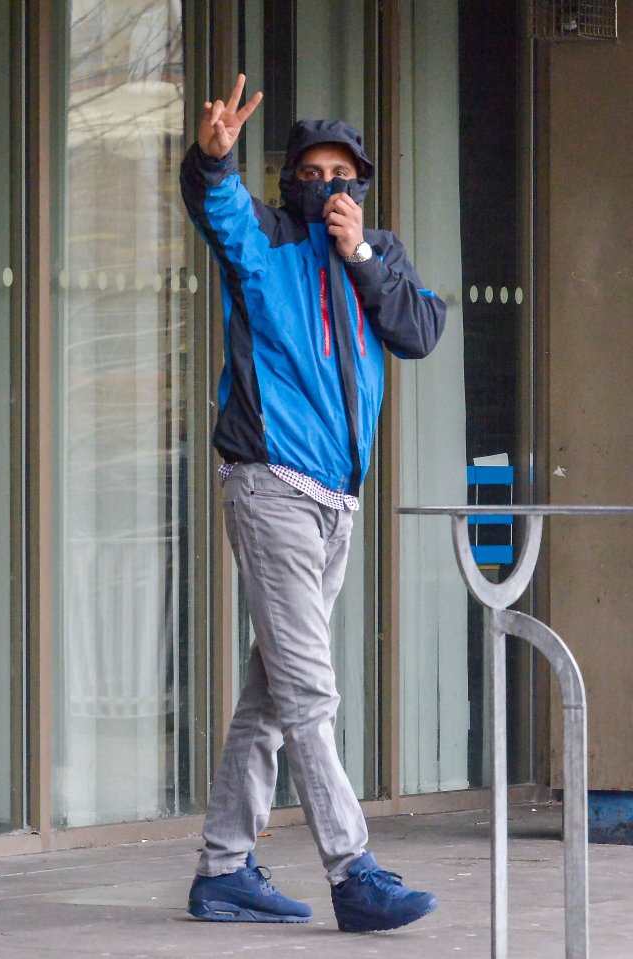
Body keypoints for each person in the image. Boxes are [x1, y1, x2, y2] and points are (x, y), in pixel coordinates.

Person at [179, 74, 446, 933]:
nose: (327, 186)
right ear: (290, 181)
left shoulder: (380, 257)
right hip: (268, 483)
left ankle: (224, 867)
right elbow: (215, 205)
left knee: (272, 688)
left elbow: (420, 331)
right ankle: (351, 868)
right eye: (313, 173)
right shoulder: (262, 240)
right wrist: (211, 161)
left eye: (343, 174)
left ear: (361, 186)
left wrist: (362, 256)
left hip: (336, 502)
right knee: (308, 689)